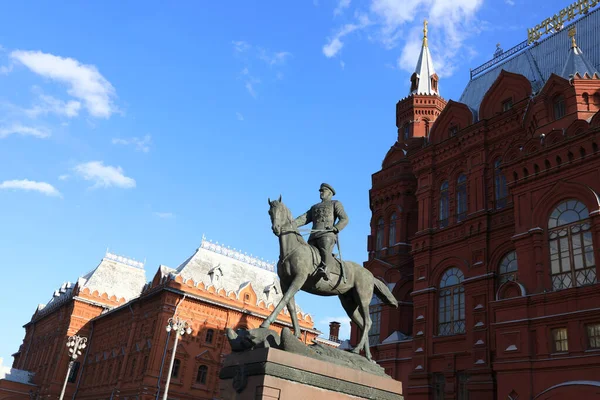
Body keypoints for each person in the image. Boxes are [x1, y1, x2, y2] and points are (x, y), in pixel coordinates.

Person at [295, 183, 348, 281]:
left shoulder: (335, 203)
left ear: (330, 193)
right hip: (313, 235)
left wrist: (336, 228)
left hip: (327, 234)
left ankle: (326, 270)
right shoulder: (315, 207)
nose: (321, 193)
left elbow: (344, 218)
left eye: (323, 190)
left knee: (325, 249)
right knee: (306, 253)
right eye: (320, 191)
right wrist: (292, 224)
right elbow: (304, 218)